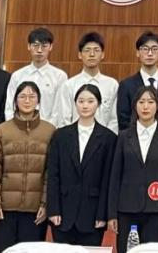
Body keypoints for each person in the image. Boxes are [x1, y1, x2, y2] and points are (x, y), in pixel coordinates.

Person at [0, 80, 56, 253]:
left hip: (35, 211)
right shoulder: (1, 131)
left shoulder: (50, 131)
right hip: (4, 209)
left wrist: (46, 204)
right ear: (15, 101)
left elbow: (52, 172)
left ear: (38, 101)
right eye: (22, 96)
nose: (27, 100)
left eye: (32, 96)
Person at [46, 84, 117, 245]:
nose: (85, 105)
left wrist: (102, 214)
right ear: (75, 103)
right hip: (63, 213)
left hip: (92, 215)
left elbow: (107, 180)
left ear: (98, 104)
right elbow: (53, 175)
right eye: (81, 101)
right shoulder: (60, 135)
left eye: (90, 101)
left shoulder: (109, 138)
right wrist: (54, 209)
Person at [108, 86, 158, 249]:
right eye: (141, 102)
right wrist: (111, 213)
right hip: (126, 208)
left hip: (156, 209)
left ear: (157, 106)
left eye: (150, 102)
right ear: (135, 106)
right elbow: (115, 175)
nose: (145, 107)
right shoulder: (124, 136)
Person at [53, 31, 119, 132]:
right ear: (80, 55)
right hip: (74, 138)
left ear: (102, 55)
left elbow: (114, 120)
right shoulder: (69, 85)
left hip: (104, 139)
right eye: (87, 50)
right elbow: (64, 119)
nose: (92, 54)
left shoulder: (112, 85)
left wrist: (107, 138)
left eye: (96, 50)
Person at [116, 31, 158, 133]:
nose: (150, 53)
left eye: (154, 49)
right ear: (138, 53)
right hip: (134, 139)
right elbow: (123, 119)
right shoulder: (126, 85)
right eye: (145, 49)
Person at [4, 27, 67, 124]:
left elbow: (59, 110)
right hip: (19, 128)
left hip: (48, 129)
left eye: (44, 46)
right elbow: (10, 107)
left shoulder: (59, 76)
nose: (39, 50)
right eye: (35, 45)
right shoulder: (17, 76)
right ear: (29, 46)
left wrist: (48, 129)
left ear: (51, 47)